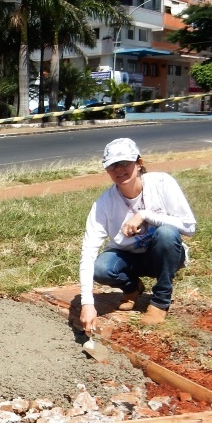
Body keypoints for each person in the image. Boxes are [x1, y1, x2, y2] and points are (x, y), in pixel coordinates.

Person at [79, 138, 196, 333]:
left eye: (125, 163)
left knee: (167, 233)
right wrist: (87, 303)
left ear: (139, 163)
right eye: (112, 166)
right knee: (100, 268)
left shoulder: (162, 183)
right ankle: (132, 288)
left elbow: (189, 227)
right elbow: (88, 251)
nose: (119, 170)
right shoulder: (104, 203)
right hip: (129, 258)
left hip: (163, 254)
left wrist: (144, 215)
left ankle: (160, 302)